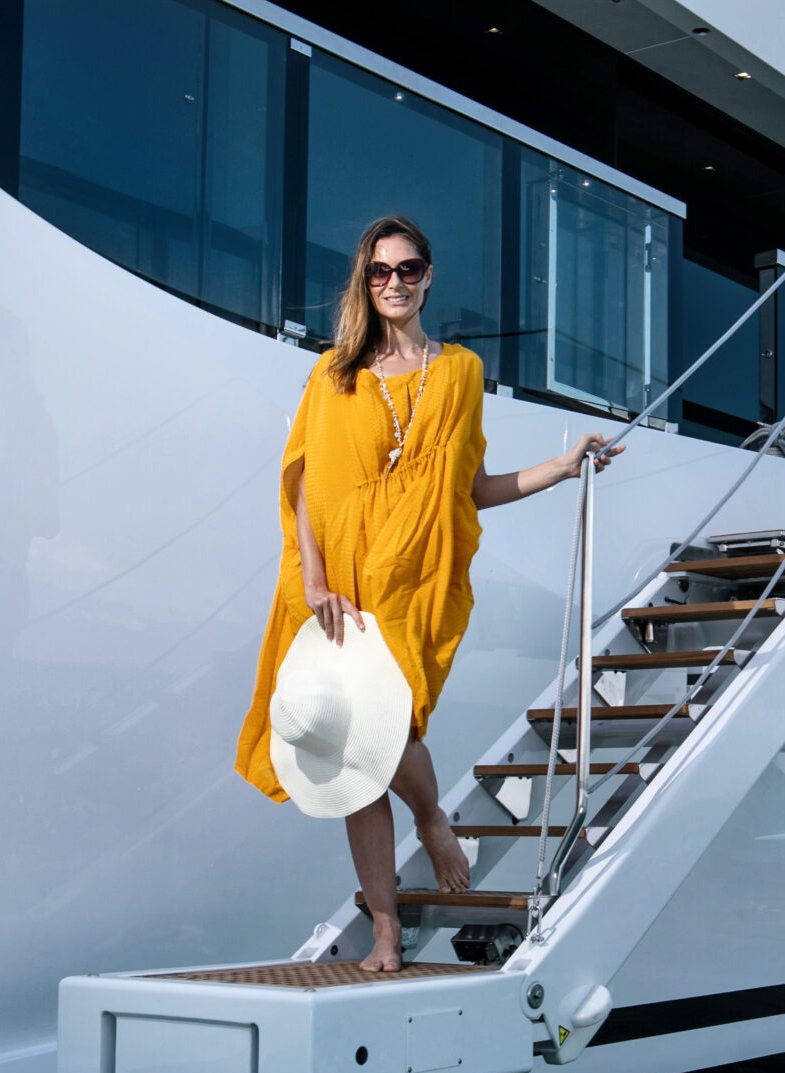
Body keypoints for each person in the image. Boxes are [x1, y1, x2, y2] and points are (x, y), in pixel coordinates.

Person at [236, 215, 621, 972]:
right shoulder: (333, 372)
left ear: (428, 276)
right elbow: (307, 482)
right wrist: (313, 579)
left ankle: (431, 817)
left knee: (391, 729)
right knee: (353, 759)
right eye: (379, 272)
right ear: (364, 280)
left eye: (407, 270)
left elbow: (471, 487)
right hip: (337, 586)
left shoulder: (460, 374)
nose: (393, 284)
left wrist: (564, 465)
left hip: (413, 582)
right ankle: (386, 927)